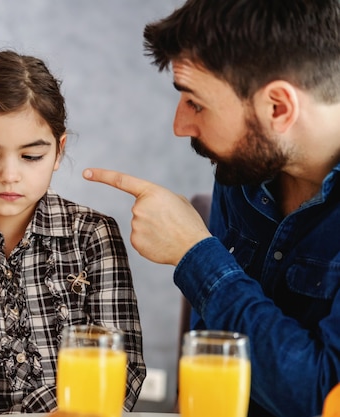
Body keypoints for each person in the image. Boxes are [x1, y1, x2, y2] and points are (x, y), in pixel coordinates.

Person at [82, 1, 340, 416]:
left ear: (278, 107)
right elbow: (213, 356)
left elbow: (323, 396)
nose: (180, 125)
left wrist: (195, 252)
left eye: (196, 103)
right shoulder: (245, 172)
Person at [0, 50, 145, 416]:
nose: (9, 175)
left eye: (31, 157)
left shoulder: (93, 235)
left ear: (58, 152)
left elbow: (122, 363)